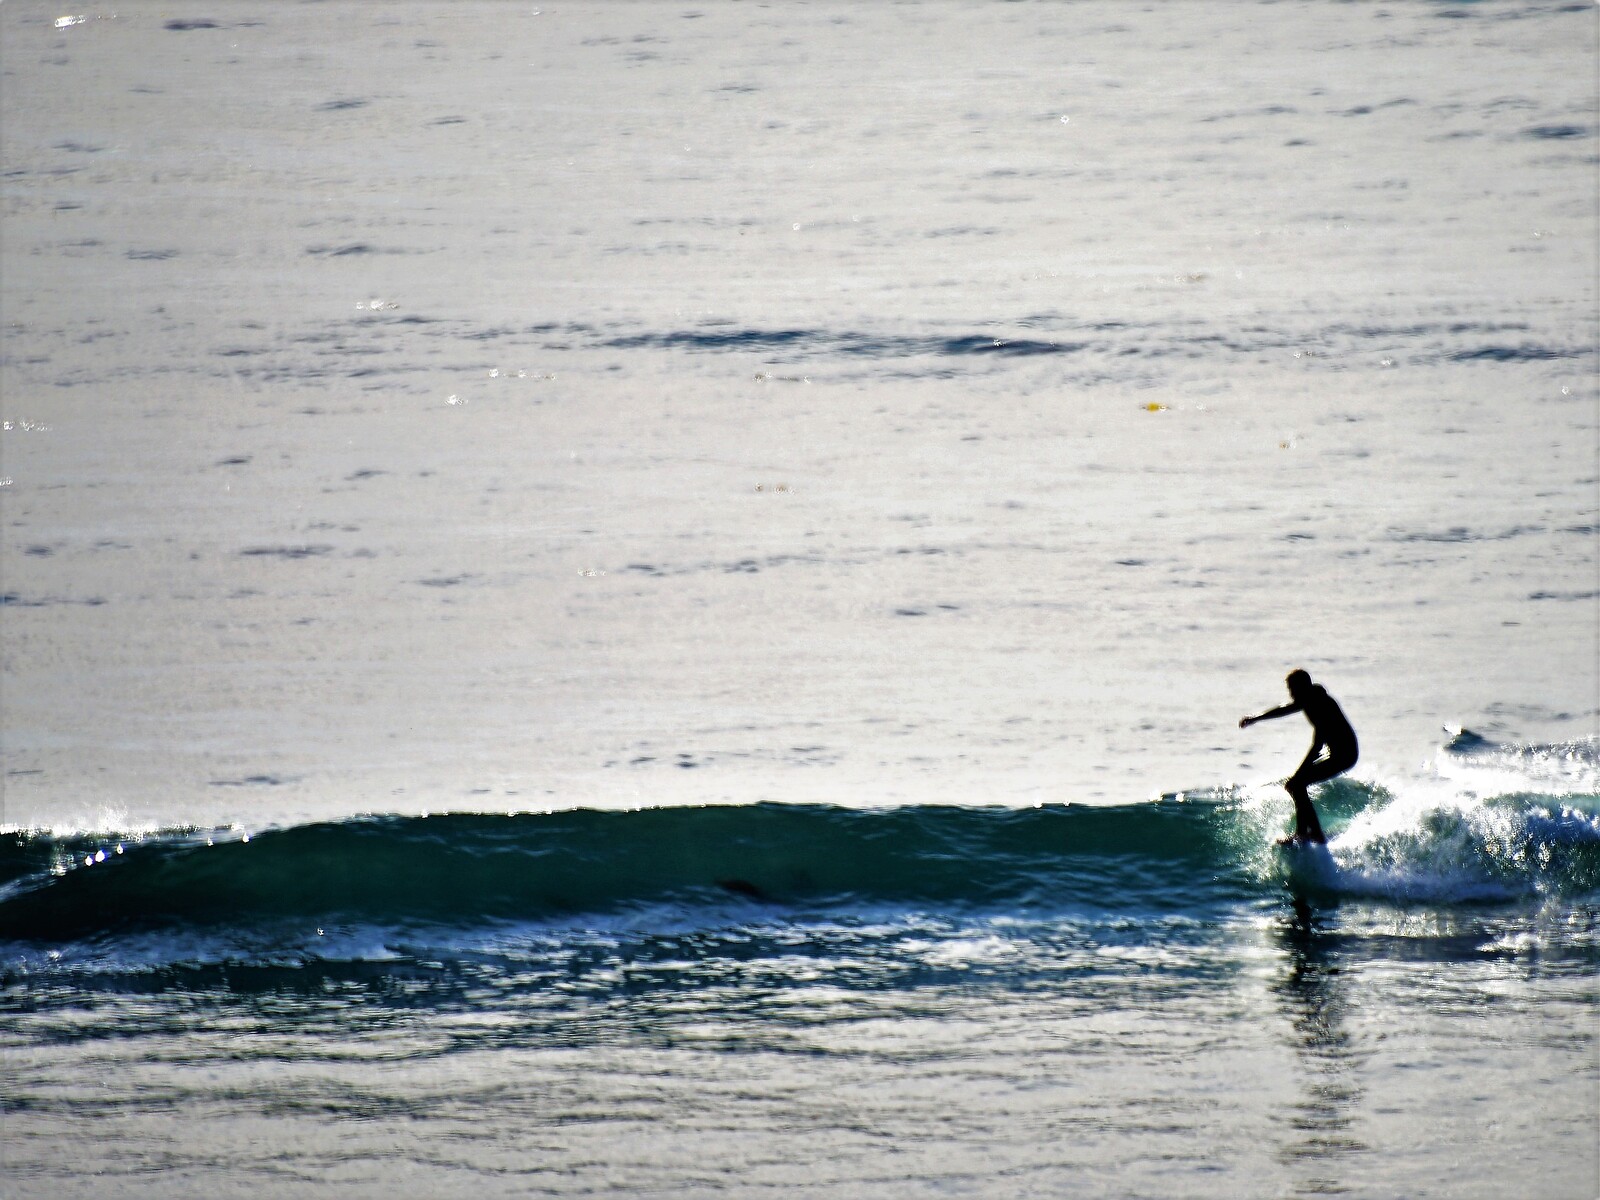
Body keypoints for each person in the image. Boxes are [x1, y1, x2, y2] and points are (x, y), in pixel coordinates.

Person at [1240, 670, 1358, 845]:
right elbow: (1284, 709)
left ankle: (1312, 834)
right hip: (1337, 753)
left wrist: (1299, 772)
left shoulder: (1321, 704)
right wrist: (1257, 718)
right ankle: (1304, 833)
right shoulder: (1309, 699)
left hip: (1345, 755)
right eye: (1289, 689)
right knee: (1297, 784)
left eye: (1293, 688)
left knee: (1297, 784)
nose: (1291, 693)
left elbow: (1317, 745)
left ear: (1304, 687)